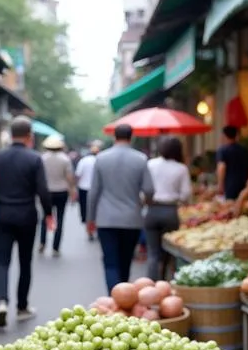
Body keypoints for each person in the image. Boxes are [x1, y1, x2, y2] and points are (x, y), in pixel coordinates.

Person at [0, 116, 51, 327]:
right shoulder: (34, 159)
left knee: (3, 261)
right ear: (29, 136)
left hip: (2, 215)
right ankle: (22, 306)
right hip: (26, 216)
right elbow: (42, 190)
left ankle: (1, 302)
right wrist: (49, 213)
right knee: (25, 262)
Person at [88, 123, 153, 292]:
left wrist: (90, 218)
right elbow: (149, 189)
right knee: (125, 261)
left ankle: (113, 299)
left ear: (114, 137)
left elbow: (93, 191)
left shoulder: (101, 158)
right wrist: (145, 202)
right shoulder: (140, 159)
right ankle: (123, 296)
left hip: (106, 219)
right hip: (132, 218)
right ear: (131, 137)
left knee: (110, 262)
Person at [145, 136, 192, 282]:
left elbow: (144, 189)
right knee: (169, 251)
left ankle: (151, 285)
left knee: (153, 253)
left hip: (151, 210)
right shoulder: (181, 168)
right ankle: (165, 284)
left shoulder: (151, 164)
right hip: (170, 211)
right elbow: (185, 194)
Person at [40, 135, 75, 256]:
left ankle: (42, 242)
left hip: (46, 192)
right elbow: (69, 177)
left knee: (46, 217)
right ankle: (56, 247)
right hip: (61, 191)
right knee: (60, 219)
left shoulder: (42, 158)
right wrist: (72, 191)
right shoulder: (65, 159)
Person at [216, 125, 248, 201]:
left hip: (230, 186)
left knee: (230, 206)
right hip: (244, 185)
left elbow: (221, 167)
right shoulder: (245, 150)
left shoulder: (223, 150)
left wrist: (220, 185)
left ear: (224, 136)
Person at [75, 140, 101, 240]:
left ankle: (89, 230)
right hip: (97, 189)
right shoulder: (100, 160)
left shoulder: (84, 161)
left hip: (84, 189)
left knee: (86, 212)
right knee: (97, 211)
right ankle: (97, 229)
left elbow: (78, 175)